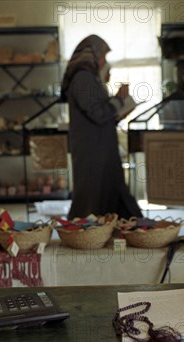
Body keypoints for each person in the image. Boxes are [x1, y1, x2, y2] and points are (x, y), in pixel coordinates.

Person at [61, 35, 142, 220]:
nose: (104, 61)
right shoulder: (82, 78)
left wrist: (119, 110)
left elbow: (102, 114)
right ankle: (85, 234)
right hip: (92, 150)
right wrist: (119, 99)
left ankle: (113, 228)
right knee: (92, 195)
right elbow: (98, 114)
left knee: (108, 190)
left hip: (100, 147)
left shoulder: (91, 79)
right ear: (92, 55)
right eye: (102, 56)